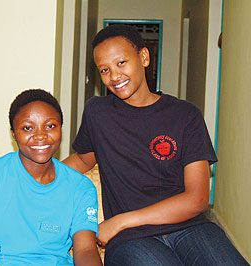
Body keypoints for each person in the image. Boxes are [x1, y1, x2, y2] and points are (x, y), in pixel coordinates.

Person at [63, 24, 249, 266]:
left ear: (143, 57)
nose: (114, 76)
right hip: (131, 241)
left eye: (121, 63)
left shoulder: (185, 115)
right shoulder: (98, 113)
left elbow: (197, 198)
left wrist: (120, 221)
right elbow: (83, 159)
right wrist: (29, 176)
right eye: (105, 69)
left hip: (190, 229)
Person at [0, 89, 102, 266]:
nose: (40, 136)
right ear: (14, 134)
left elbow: (86, 250)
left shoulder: (80, 187)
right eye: (28, 128)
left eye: (50, 126)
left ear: (61, 129)